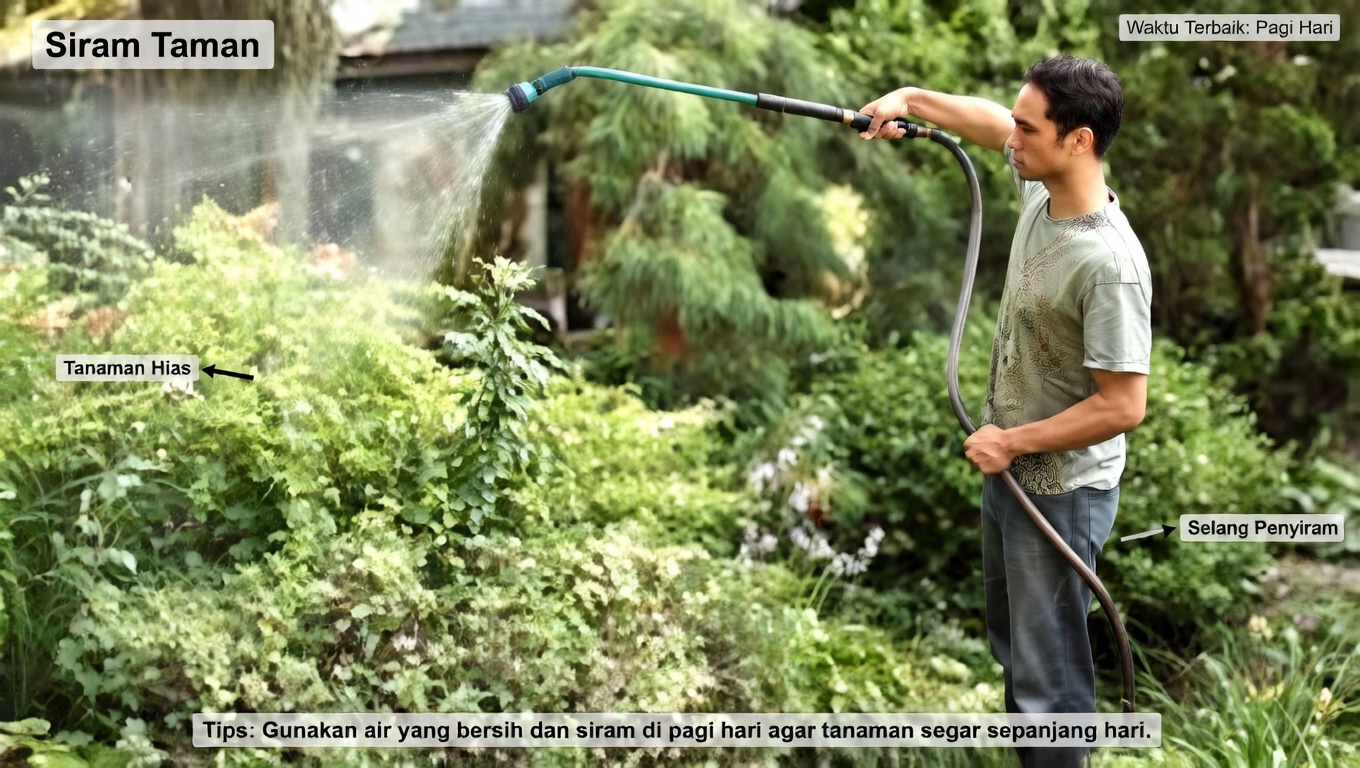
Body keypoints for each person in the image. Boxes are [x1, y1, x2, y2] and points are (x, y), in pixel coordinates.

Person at [858, 55, 1152, 768]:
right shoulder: (1041, 193)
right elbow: (991, 123)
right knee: (1019, 658)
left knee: (1049, 686)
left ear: (1077, 140)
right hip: (1013, 475)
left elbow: (1123, 405)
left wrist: (1011, 441)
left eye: (1029, 127)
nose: (1010, 139)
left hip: (1062, 491)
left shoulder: (1108, 265)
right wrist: (912, 96)